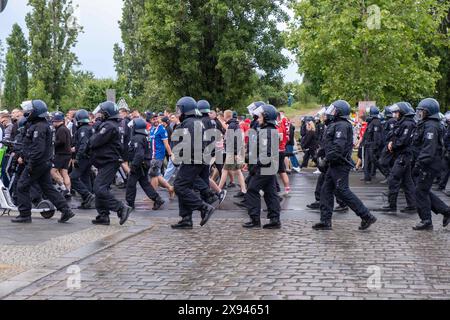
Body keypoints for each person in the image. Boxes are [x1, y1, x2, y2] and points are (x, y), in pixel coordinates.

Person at [312, 100, 377, 231]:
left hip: (339, 165)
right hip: (333, 165)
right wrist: (321, 156)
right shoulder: (335, 124)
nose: (330, 113)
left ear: (339, 112)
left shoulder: (342, 125)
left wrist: (326, 158)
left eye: (334, 110)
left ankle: (366, 216)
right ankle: (325, 221)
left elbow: (338, 147)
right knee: (326, 191)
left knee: (343, 191)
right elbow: (328, 144)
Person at [12, 100, 75, 224]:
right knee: (48, 188)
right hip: (44, 163)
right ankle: (66, 210)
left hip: (37, 163)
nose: (27, 112)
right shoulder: (43, 125)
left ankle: (24, 214)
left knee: (21, 186)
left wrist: (30, 164)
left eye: (30, 110)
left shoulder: (39, 127)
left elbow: (38, 149)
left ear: (36, 111)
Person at [171, 97, 216, 229]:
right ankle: (186, 218)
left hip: (191, 159)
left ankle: (203, 208)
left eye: (179, 109)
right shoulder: (196, 121)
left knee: (179, 186)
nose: (178, 112)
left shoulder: (189, 123)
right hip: (197, 158)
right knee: (185, 186)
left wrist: (178, 157)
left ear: (185, 110)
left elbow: (188, 144)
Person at [89, 101, 132, 226]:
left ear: (107, 113)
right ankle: (103, 215)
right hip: (107, 160)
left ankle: (121, 208)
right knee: (100, 188)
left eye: (102, 113)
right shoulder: (114, 124)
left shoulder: (109, 126)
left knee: (99, 188)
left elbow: (94, 141)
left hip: (109, 161)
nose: (99, 115)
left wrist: (95, 129)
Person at [412, 98, 450, 231]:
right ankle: (446, 211)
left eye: (422, 111)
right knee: (423, 190)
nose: (420, 113)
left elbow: (429, 150)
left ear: (429, 112)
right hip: (427, 164)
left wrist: (418, 164)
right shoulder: (427, 124)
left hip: (428, 165)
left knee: (420, 192)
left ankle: (426, 220)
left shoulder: (431, 126)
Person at [242, 104, 281, 229]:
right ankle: (275, 220)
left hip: (264, 167)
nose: (258, 118)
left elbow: (267, 153)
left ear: (266, 116)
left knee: (252, 190)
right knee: (270, 193)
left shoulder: (268, 131)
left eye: (260, 116)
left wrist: (255, 162)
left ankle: (255, 220)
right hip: (267, 167)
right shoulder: (269, 130)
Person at [378, 102, 417, 213]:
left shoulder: (408, 124)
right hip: (402, 155)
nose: (395, 114)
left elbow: (403, 140)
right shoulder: (403, 123)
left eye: (396, 112)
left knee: (393, 179)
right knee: (407, 182)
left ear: (403, 112)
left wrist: (393, 145)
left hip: (403, 156)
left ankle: (392, 205)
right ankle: (412, 205)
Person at [126, 118, 165, 211]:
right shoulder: (144, 136)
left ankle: (130, 204)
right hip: (144, 163)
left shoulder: (137, 138)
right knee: (145, 183)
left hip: (139, 164)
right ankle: (157, 199)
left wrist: (134, 165)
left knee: (131, 184)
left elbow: (139, 154)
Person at [70, 109, 95, 209]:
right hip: (89, 157)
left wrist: (77, 157)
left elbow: (84, 144)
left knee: (73, 178)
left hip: (84, 157)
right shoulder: (89, 128)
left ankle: (87, 195)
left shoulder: (83, 129)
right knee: (85, 178)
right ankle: (87, 201)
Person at [149, 113, 175, 199]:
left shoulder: (162, 130)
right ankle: (170, 188)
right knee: (157, 175)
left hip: (158, 155)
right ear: (150, 121)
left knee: (153, 175)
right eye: (153, 119)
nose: (156, 120)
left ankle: (153, 196)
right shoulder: (152, 129)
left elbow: (166, 144)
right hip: (152, 155)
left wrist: (170, 154)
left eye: (157, 119)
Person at [50, 112, 72, 198]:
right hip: (67, 154)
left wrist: (53, 143)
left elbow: (62, 141)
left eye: (54, 121)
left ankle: (63, 188)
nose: (53, 123)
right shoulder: (65, 128)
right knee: (64, 172)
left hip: (61, 154)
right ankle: (68, 191)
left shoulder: (61, 129)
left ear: (58, 121)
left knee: (52, 171)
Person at [361, 106, 384, 183]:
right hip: (369, 145)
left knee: (375, 162)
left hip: (372, 146)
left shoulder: (376, 122)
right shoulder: (371, 122)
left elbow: (377, 136)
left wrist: (375, 146)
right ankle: (367, 177)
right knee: (367, 162)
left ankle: (388, 175)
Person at [436, 111, 450, 192]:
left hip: (448, 150)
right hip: (447, 150)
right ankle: (441, 186)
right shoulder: (448, 127)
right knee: (444, 168)